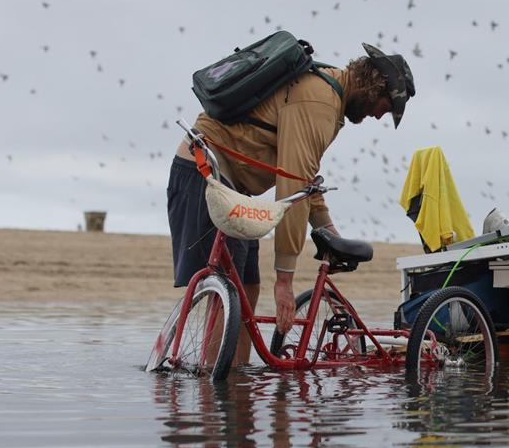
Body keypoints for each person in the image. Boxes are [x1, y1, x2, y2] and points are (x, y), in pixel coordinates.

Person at [167, 43, 415, 365]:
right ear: (374, 87)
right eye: (386, 105)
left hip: (230, 186)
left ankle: (238, 379)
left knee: (248, 287)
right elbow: (293, 184)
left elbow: (305, 177)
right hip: (204, 174)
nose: (380, 115)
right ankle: (213, 386)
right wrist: (285, 280)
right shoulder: (320, 101)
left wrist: (328, 232)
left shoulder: (327, 94)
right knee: (227, 291)